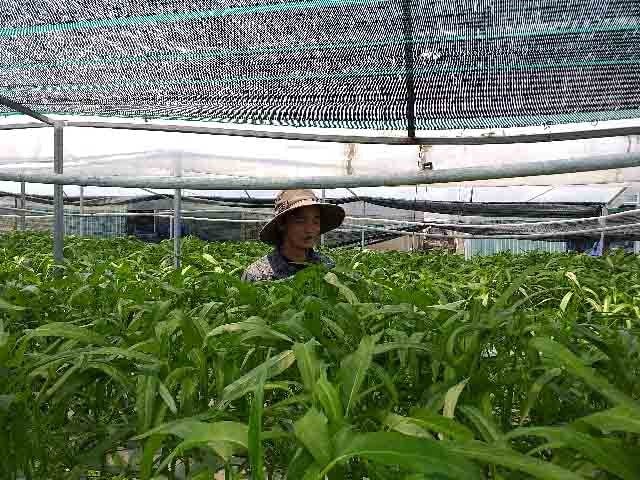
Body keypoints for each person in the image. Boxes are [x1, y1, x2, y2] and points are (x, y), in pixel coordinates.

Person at [242, 189, 345, 282]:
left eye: (315, 221)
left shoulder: (327, 266)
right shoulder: (258, 275)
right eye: (300, 220)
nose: (309, 229)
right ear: (282, 224)